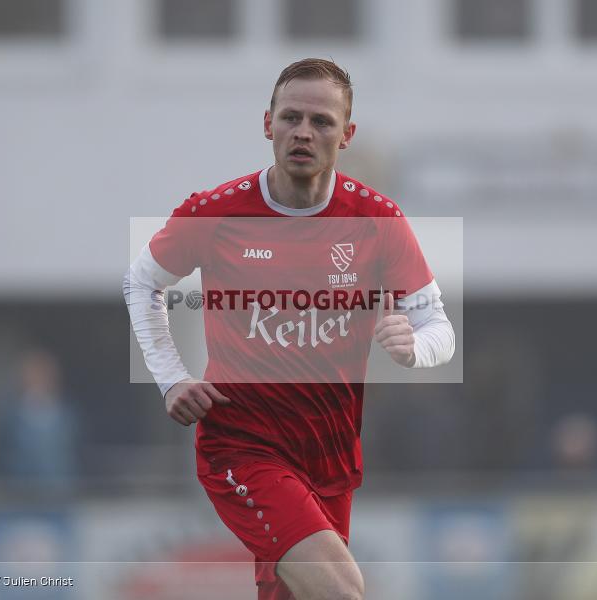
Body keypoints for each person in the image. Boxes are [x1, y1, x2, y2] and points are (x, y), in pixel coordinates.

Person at [124, 58, 456, 600]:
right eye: (291, 117)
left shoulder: (376, 220)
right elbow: (142, 284)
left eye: (322, 121)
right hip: (243, 448)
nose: (303, 132)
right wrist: (170, 377)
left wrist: (415, 346)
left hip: (331, 456)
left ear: (346, 135)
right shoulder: (216, 213)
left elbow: (439, 326)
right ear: (267, 124)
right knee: (341, 587)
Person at [0, 349, 78, 495]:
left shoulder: (68, 414)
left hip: (59, 495)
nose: (39, 379)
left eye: (44, 374)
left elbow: (75, 451)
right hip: (17, 496)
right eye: (34, 373)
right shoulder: (7, 415)